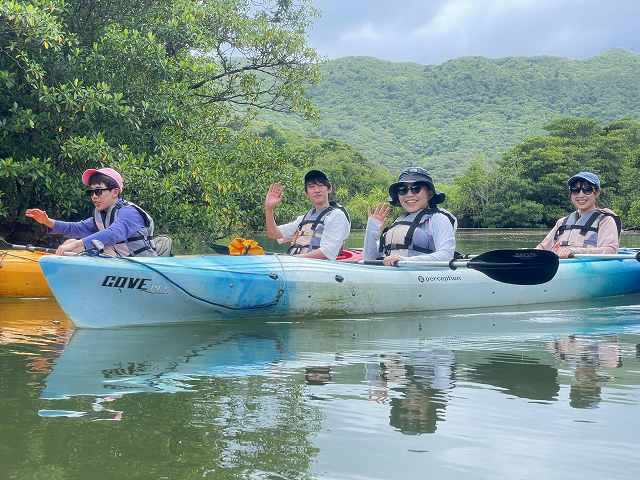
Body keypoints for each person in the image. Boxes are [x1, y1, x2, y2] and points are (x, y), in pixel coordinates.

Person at [25, 167, 158, 257]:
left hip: (145, 267)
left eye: (98, 191)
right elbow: (77, 228)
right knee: (69, 243)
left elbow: (113, 233)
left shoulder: (130, 213)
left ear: (115, 192)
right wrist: (47, 221)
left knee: (73, 244)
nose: (94, 196)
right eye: (91, 192)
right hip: (121, 263)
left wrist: (78, 244)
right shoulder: (101, 215)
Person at [364, 167, 457, 266]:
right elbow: (370, 259)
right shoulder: (398, 221)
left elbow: (446, 256)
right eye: (402, 190)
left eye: (416, 189)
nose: (409, 195)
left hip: (423, 274)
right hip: (393, 273)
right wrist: (372, 229)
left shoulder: (438, 219)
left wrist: (403, 260)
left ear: (429, 194)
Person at [264, 170, 351, 260]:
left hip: (314, 266)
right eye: (312, 187)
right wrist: (269, 208)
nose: (317, 190)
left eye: (320, 185)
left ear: (329, 189)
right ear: (306, 193)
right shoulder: (303, 219)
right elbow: (273, 234)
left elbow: (327, 252)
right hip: (296, 263)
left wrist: (290, 259)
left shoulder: (336, 216)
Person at [536, 171, 620, 258]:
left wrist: (574, 251)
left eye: (587, 190)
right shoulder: (561, 222)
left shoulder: (605, 220)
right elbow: (542, 248)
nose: (581, 195)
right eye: (575, 190)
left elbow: (610, 251)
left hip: (588, 264)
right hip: (559, 263)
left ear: (597, 193)